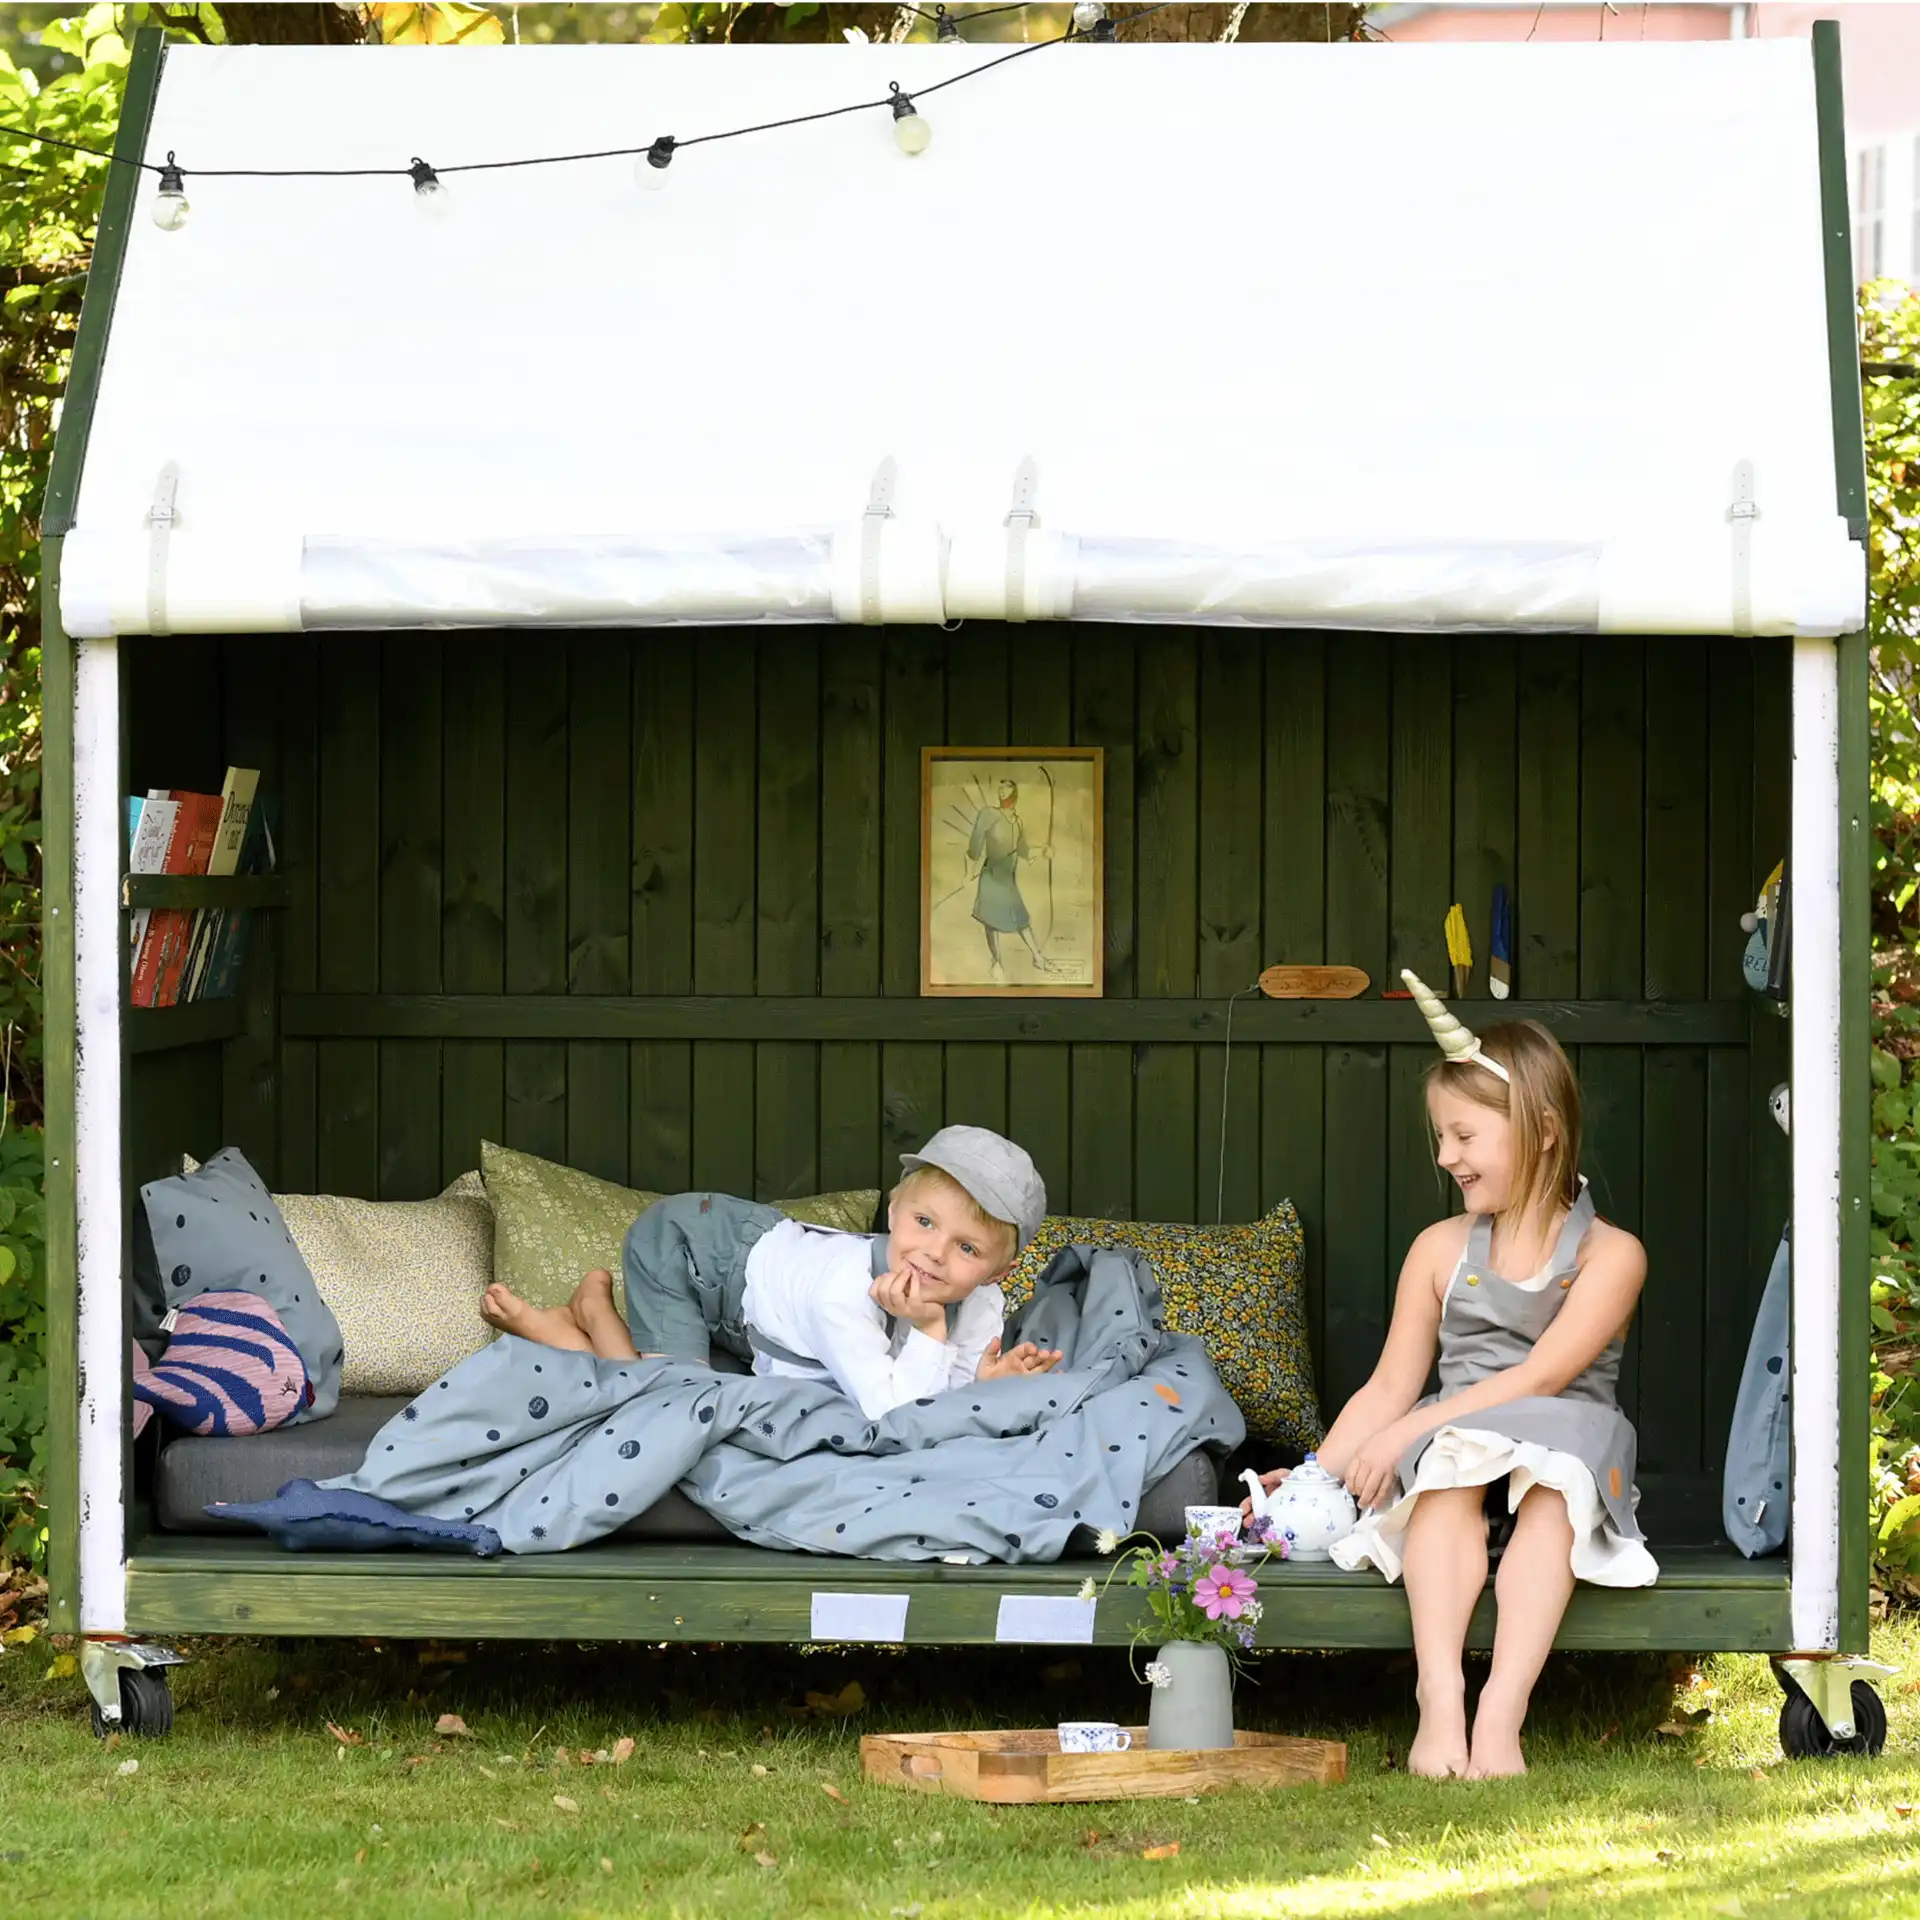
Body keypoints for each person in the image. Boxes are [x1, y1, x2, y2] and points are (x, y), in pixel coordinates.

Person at [1243, 972, 1654, 1780]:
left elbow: (1546, 1372)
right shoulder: (1439, 1249)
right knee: (1445, 1481)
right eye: (1441, 1136)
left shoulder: (1612, 1254)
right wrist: (1321, 1473)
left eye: (1464, 1135)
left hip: (1564, 1427)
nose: (1445, 1156)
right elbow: (1393, 1384)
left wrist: (1412, 1428)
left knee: (1551, 1490)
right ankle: (1440, 1697)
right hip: (1458, 1437)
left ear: (1539, 1130)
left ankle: (1503, 1711)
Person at [479, 1125, 1063, 1421]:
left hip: (762, 1295)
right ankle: (583, 1317)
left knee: (723, 1380)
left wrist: (984, 1388)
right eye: (925, 1222)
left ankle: (600, 1316)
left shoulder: (984, 1306)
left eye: (966, 1247)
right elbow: (894, 1416)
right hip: (692, 1248)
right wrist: (931, 1329)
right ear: (892, 1213)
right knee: (672, 1407)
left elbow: (935, 1398)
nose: (934, 1254)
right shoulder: (845, 1292)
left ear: (997, 1272)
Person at [966, 779, 1055, 982]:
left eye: (1006, 787)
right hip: (991, 876)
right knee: (991, 921)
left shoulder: (1018, 821)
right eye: (1000, 787)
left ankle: (1038, 958)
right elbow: (975, 845)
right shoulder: (989, 814)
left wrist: (1042, 851)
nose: (1002, 790)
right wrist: (968, 870)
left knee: (1021, 919)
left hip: (1008, 879)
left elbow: (1023, 851)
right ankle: (997, 963)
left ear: (1014, 795)